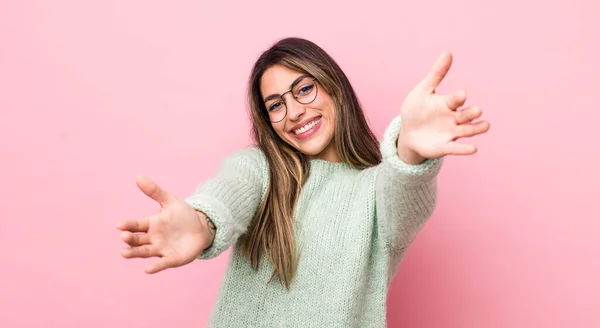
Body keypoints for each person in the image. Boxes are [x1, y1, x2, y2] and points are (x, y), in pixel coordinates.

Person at [116, 37, 490, 327]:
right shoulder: (262, 168)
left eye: (304, 89)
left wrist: (410, 149)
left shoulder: (376, 192)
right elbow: (228, 192)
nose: (294, 111)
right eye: (276, 104)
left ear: (335, 88)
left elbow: (404, 190)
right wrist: (202, 221)